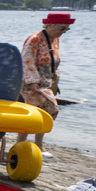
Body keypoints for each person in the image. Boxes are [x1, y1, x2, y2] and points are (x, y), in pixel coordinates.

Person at [18, 12, 73, 156]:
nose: (64, 32)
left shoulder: (54, 39)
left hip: (47, 82)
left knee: (37, 113)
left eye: (67, 29)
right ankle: (37, 144)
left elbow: (53, 60)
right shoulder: (34, 39)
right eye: (61, 28)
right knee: (50, 109)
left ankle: (27, 143)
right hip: (32, 83)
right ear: (49, 25)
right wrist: (33, 81)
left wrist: (55, 78)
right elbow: (26, 60)